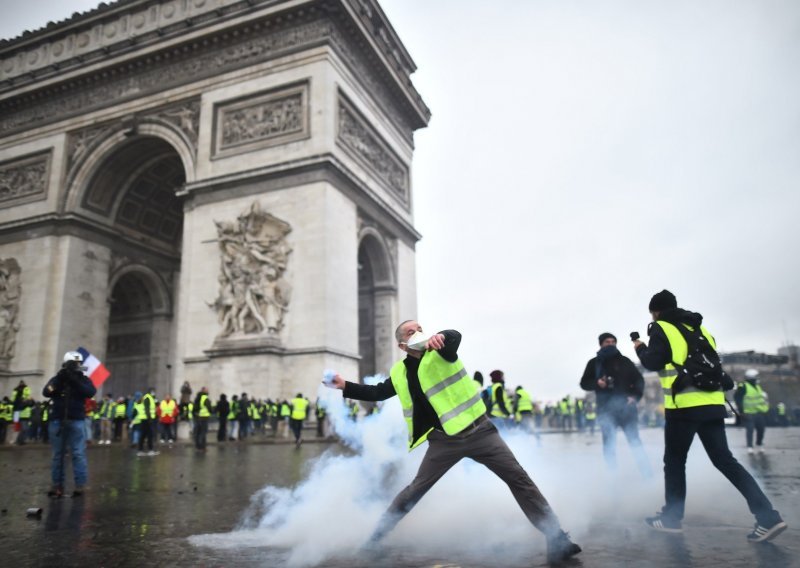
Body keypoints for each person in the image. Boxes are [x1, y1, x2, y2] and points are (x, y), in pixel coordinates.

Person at [324, 320, 581, 564]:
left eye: (421, 328)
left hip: (481, 433)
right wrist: (344, 385)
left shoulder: (441, 352)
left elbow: (454, 336)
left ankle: (557, 539)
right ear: (402, 346)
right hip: (443, 442)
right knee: (414, 491)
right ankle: (374, 539)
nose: (419, 333)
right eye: (411, 332)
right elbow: (377, 392)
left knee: (520, 480)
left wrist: (443, 336)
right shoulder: (400, 373)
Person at [633, 289, 787, 542]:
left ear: (656, 311)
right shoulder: (701, 329)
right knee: (725, 461)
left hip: (684, 405)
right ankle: (768, 517)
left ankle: (671, 518)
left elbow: (653, 363)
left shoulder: (661, 327)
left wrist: (640, 348)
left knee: (674, 462)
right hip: (714, 402)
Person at [580, 332, 652, 477]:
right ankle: (612, 477)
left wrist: (635, 396)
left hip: (627, 409)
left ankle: (647, 474)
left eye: (613, 341)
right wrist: (597, 383)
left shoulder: (625, 361)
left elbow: (639, 380)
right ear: (601, 344)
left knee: (635, 442)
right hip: (606, 411)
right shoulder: (594, 363)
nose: (611, 344)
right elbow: (584, 383)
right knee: (609, 446)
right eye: (607, 342)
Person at [42, 351, 97, 497]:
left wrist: (75, 380)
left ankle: (80, 485)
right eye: (75, 364)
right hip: (57, 420)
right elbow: (46, 392)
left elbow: (90, 392)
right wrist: (60, 380)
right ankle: (56, 484)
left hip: (77, 420)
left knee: (78, 453)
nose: (78, 366)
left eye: (79, 364)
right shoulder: (58, 378)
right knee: (57, 455)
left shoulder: (83, 379)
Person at [734, 369, 769, 454]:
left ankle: (759, 444)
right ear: (751, 377)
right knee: (750, 430)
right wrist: (741, 411)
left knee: (761, 429)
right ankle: (750, 447)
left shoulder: (757, 386)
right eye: (756, 376)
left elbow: (761, 399)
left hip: (759, 412)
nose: (758, 378)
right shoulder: (743, 386)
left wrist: (765, 409)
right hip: (748, 412)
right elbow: (737, 398)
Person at [137, 388, 158, 457]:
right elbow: (147, 409)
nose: (154, 393)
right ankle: (148, 450)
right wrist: (149, 419)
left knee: (145, 435)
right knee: (147, 435)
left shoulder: (148, 398)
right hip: (146, 419)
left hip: (146, 419)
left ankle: (144, 450)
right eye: (153, 392)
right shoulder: (148, 398)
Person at [194, 386, 213, 450]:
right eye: (207, 390)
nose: (208, 391)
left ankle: (198, 446)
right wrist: (211, 411)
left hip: (198, 416)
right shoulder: (205, 398)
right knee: (203, 432)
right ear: (204, 391)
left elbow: (195, 407)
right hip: (204, 417)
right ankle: (202, 446)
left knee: (198, 432)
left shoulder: (197, 397)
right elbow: (209, 407)